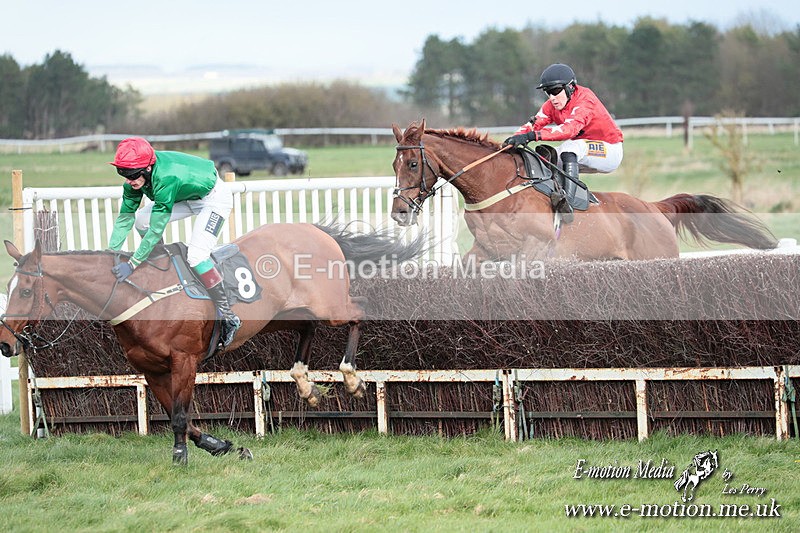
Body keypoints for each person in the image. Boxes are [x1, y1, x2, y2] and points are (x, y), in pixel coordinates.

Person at [107, 137, 240, 347]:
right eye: (122, 173)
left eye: (132, 175)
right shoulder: (134, 181)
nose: (128, 180)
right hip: (185, 195)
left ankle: (228, 314)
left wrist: (133, 263)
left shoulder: (165, 178)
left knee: (196, 255)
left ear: (149, 168)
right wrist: (110, 252)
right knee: (141, 219)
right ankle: (161, 264)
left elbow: (156, 229)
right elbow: (125, 218)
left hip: (213, 199)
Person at [503, 63, 623, 221]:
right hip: (582, 152)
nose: (552, 97)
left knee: (570, 147)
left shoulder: (585, 100)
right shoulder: (551, 105)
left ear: (570, 87)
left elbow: (569, 130)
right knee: (545, 158)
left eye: (555, 91)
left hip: (610, 151)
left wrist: (531, 136)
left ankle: (569, 204)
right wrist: (514, 139)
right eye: (548, 92)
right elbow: (533, 125)